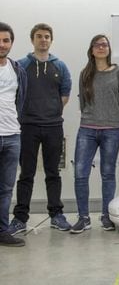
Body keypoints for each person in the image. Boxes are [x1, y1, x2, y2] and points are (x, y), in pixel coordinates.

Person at [9, 23, 72, 235]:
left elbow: (65, 95)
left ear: (51, 40)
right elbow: (14, 94)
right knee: (26, 173)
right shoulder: (21, 65)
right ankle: (19, 218)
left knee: (53, 172)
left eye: (46, 36)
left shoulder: (60, 66)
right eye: (39, 36)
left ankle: (56, 215)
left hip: (54, 127)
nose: (43, 40)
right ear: (32, 40)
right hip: (27, 127)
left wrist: (50, 112)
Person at [70, 34, 119, 234]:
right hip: (87, 129)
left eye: (105, 44)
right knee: (80, 174)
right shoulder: (85, 73)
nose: (101, 47)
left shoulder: (118, 72)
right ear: (91, 50)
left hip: (112, 129)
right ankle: (83, 218)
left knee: (108, 174)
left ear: (109, 49)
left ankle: (107, 217)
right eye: (97, 45)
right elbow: (83, 103)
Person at [0, 22, 27, 247]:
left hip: (12, 135)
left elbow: (20, 100)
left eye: (6, 40)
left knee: (6, 188)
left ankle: (2, 231)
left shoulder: (17, 69)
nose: (2, 44)